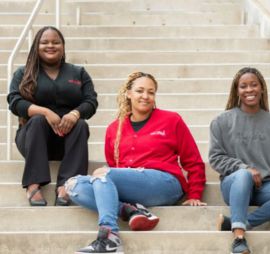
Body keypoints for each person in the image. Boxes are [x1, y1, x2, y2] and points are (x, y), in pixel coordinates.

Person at [65, 71, 206, 253]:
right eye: (140, 91)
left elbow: (193, 160)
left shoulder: (172, 120)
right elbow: (113, 170)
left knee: (103, 173)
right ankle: (130, 211)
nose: (145, 96)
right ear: (128, 93)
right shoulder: (114, 129)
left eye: (151, 92)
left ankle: (109, 236)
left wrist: (194, 194)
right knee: (73, 185)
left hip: (165, 183)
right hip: (131, 187)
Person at [209, 67, 270, 254]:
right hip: (234, 185)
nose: (249, 90)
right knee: (244, 175)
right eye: (243, 86)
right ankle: (238, 239)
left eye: (254, 85)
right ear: (236, 90)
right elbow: (215, 158)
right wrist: (243, 168)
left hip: (265, 187)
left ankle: (238, 223)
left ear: (262, 88)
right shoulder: (221, 121)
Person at [7, 26, 98, 206]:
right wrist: (45, 111)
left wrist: (75, 113)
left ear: (63, 46)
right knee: (39, 120)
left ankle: (67, 185)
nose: (51, 45)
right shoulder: (23, 72)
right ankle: (33, 184)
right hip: (33, 138)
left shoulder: (78, 72)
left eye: (56, 42)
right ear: (36, 46)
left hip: (66, 140)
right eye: (45, 42)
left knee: (81, 125)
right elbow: (14, 102)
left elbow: (91, 101)